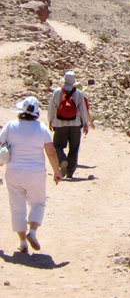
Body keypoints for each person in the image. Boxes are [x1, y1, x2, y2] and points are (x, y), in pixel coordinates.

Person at [0, 96, 62, 253]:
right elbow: (51, 152)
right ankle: (32, 231)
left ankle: (22, 243)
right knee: (38, 202)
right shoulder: (41, 129)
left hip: (13, 171)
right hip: (35, 172)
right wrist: (57, 171)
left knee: (17, 206)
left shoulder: (10, 126)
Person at [48, 71, 90, 178]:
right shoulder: (79, 93)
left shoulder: (57, 92)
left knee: (57, 145)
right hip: (75, 125)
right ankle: (70, 171)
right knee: (74, 147)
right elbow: (83, 110)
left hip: (60, 123)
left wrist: (50, 120)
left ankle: (62, 159)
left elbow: (52, 107)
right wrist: (85, 123)